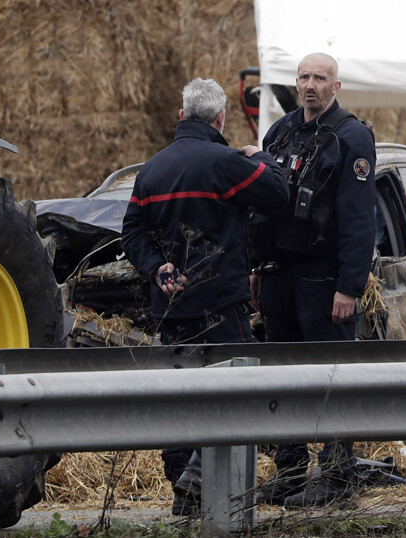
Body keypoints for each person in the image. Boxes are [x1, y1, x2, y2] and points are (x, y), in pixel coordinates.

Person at [121, 77, 289, 515]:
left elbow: (132, 232)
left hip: (171, 307)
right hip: (220, 305)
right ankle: (198, 481)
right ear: (221, 118)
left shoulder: (151, 170)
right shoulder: (226, 162)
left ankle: (184, 490)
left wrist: (157, 267)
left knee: (181, 398)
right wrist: (263, 156)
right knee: (240, 389)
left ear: (180, 116)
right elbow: (278, 193)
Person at [250, 52, 377, 508]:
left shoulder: (351, 136)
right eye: (303, 77)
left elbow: (361, 220)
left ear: (335, 87)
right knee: (285, 377)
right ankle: (289, 472)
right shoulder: (280, 132)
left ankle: (338, 475)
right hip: (280, 275)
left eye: (320, 78)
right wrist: (257, 266)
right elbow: (261, 208)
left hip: (325, 279)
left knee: (330, 377)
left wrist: (350, 285)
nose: (310, 85)